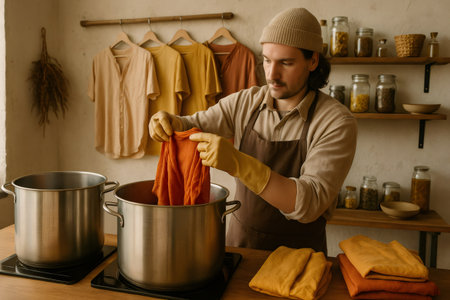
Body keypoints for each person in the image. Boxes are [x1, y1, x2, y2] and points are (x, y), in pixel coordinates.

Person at [149, 7, 357, 254]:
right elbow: (193, 124)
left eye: (286, 63)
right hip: (240, 246)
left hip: (300, 257)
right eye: (267, 60)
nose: (272, 74)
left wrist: (239, 164)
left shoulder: (336, 122)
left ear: (312, 61)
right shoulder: (246, 102)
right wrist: (169, 121)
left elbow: (309, 203)